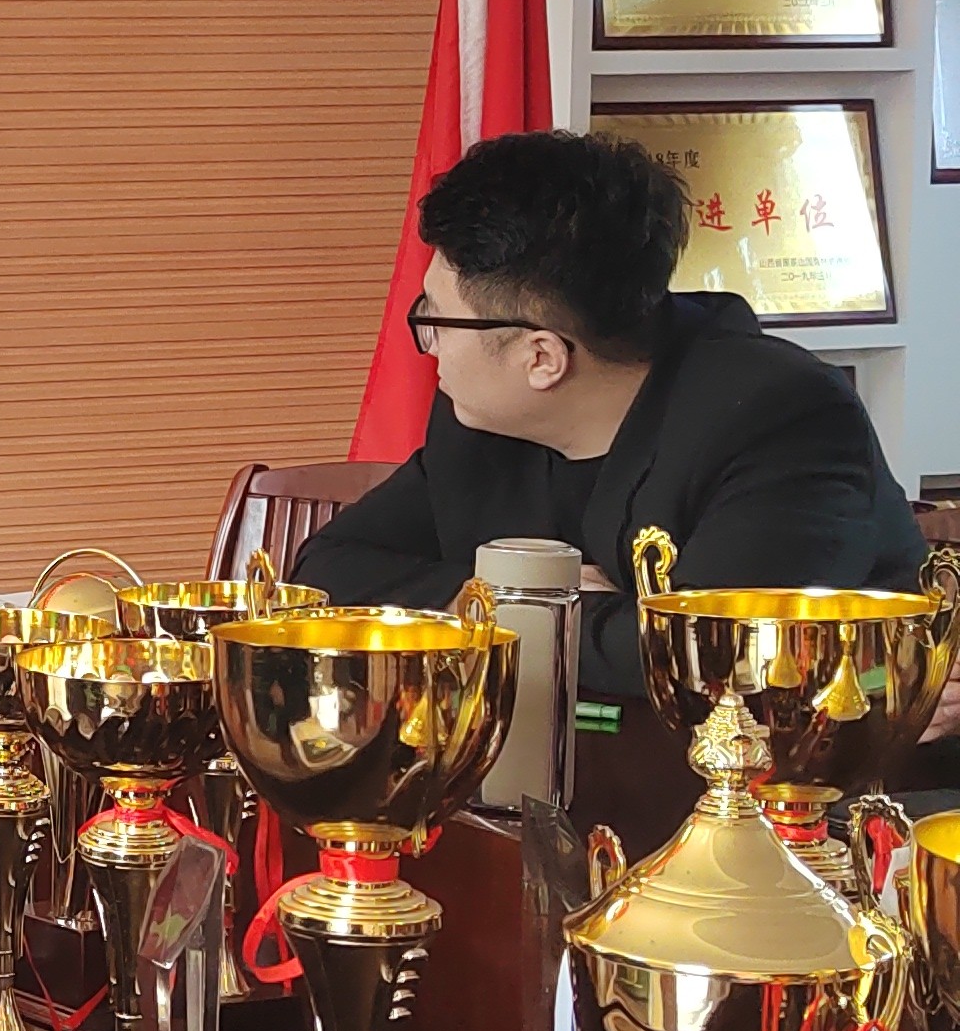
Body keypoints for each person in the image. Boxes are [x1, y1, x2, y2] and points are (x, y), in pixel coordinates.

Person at [298, 127, 921, 694]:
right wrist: (505, 600)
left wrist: (535, 615)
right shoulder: (483, 419)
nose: (430, 345)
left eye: (436, 318)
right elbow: (325, 573)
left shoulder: (779, 416)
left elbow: (715, 659)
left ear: (542, 357)